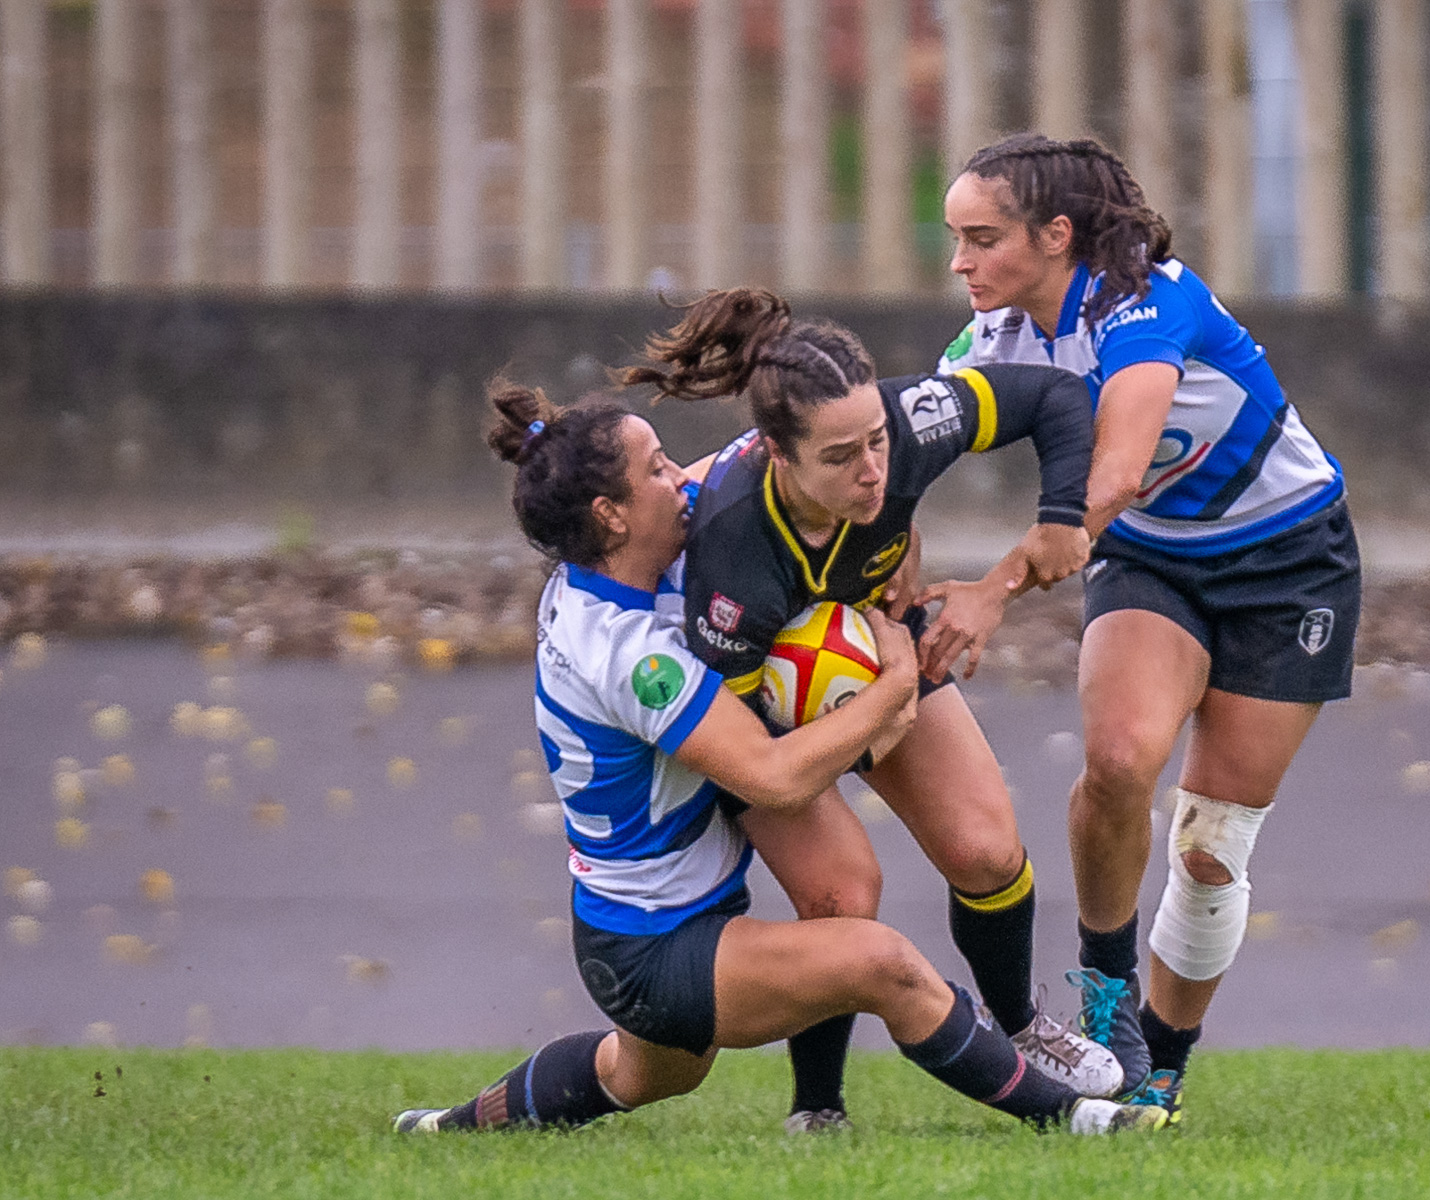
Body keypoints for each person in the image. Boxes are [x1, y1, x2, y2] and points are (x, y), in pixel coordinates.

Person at [392, 381, 1167, 1137]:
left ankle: (443, 1129)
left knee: (642, 1070)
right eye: (657, 469)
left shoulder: (615, 564)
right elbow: (773, 777)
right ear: (610, 514)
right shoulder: (629, 658)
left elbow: (768, 464)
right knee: (885, 964)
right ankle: (1080, 1118)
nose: (680, 477)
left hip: (633, 924)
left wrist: (887, 538)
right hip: (658, 952)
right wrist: (892, 686)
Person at [617, 288, 1122, 1131]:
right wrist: (877, 713)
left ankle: (1023, 1029)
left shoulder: (912, 421)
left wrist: (1062, 516)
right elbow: (745, 753)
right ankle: (817, 1109)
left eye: (878, 441)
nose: (874, 471)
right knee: (841, 895)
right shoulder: (732, 555)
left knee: (988, 851)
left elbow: (1057, 396)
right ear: (778, 455)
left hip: (875, 645)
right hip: (766, 713)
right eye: (842, 456)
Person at [939, 134, 1363, 1120]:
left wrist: (992, 590)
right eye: (955, 239)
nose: (960, 263)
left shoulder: (1145, 302)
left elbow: (1119, 473)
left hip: (1292, 561)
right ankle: (1108, 995)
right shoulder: (997, 333)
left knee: (1211, 849)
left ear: (1056, 234)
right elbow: (887, 442)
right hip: (1152, 561)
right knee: (1122, 761)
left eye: (982, 239)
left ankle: (1163, 1062)